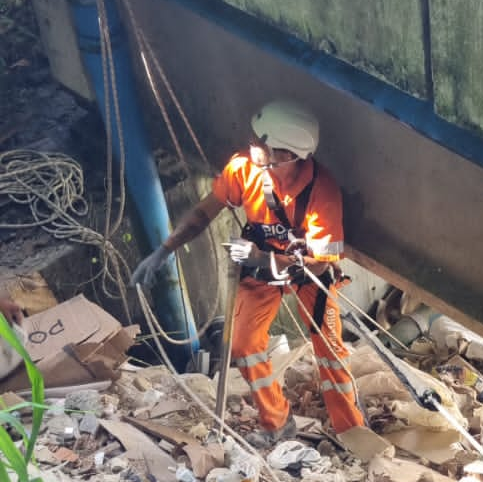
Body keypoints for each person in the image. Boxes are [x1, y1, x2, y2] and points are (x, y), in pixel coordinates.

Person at [130, 100, 367, 445]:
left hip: (305, 272)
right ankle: (277, 424)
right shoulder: (244, 169)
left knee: (329, 349)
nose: (250, 145)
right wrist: (164, 250)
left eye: (260, 142)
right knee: (244, 345)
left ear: (285, 156)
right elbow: (202, 213)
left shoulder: (322, 193)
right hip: (263, 264)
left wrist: (259, 259)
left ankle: (352, 431)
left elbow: (319, 264)